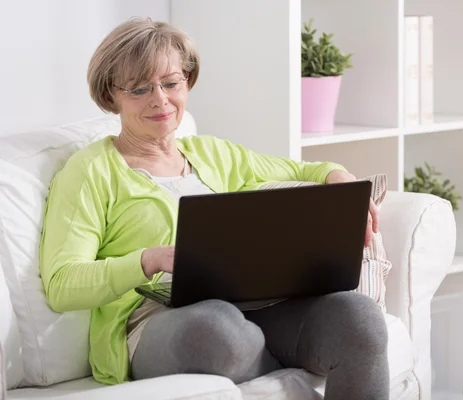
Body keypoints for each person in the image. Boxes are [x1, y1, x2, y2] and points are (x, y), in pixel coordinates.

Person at [39, 18, 389, 400]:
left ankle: (270, 359)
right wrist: (149, 259)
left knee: (358, 318)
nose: (160, 99)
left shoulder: (214, 153)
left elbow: (305, 170)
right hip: (154, 322)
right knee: (219, 330)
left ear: (187, 81)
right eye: (140, 89)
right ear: (112, 94)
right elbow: (61, 284)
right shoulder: (90, 170)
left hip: (256, 306)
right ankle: (285, 367)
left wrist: (339, 177)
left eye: (171, 83)